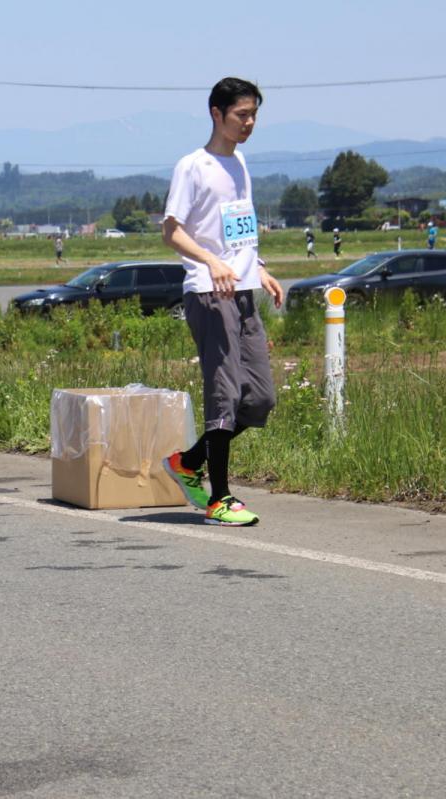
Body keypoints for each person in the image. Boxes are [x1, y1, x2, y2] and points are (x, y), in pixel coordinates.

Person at [160, 77, 283, 527]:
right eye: (241, 115)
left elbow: (238, 230)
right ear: (217, 113)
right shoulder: (193, 166)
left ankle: (187, 462)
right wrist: (210, 261)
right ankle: (220, 498)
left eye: (253, 115)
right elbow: (171, 231)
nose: (249, 123)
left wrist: (260, 267)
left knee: (260, 399)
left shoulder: (241, 163)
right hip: (209, 292)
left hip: (244, 288)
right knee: (225, 393)